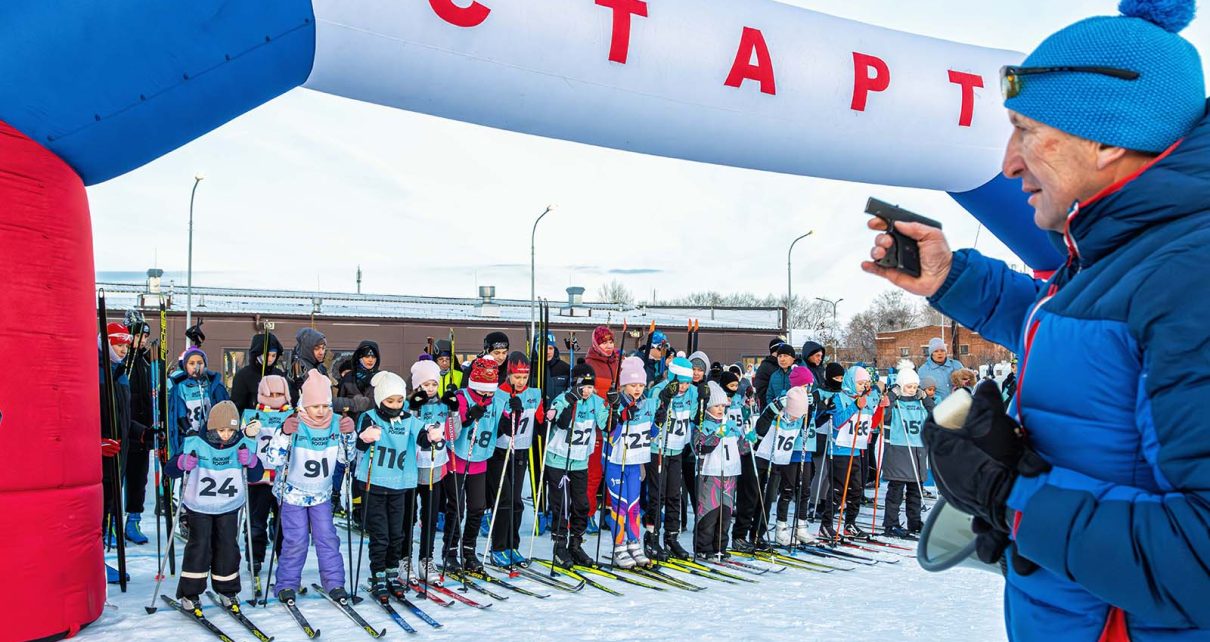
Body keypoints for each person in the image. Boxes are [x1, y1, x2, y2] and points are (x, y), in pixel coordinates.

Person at [862, 2, 1208, 637]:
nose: (1008, 161)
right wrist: (950, 279)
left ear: (1106, 140)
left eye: (1025, 129)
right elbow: (1083, 326)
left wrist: (1012, 499)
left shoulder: (1192, 276)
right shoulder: (1122, 253)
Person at [264, 370, 356, 604]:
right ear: (304, 404)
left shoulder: (335, 422)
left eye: (325, 406)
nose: (321, 412)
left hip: (321, 494)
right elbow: (273, 458)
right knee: (296, 540)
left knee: (327, 538)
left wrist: (350, 434)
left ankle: (335, 583)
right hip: (293, 493)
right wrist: (284, 433)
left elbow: (346, 459)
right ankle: (286, 584)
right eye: (316, 407)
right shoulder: (295, 422)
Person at [164, 400, 262, 611]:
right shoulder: (195, 443)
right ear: (211, 427)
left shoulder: (242, 443)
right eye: (221, 429)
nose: (226, 435)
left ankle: (228, 591)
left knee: (228, 548)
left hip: (228, 505)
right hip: (199, 506)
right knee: (199, 547)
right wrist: (182, 463)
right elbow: (170, 469)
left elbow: (255, 475)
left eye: (230, 430)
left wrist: (252, 461)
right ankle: (190, 593)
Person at [355, 370, 427, 599]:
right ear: (380, 400)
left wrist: (433, 435)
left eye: (399, 400)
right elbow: (358, 444)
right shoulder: (369, 417)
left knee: (397, 534)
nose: (396, 405)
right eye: (390, 401)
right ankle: (377, 574)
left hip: (399, 485)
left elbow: (423, 437)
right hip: (374, 484)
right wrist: (365, 437)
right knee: (381, 535)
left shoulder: (408, 418)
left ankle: (391, 573)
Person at [603, 356, 663, 569]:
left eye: (640, 385)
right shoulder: (616, 402)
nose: (637, 389)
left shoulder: (646, 404)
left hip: (635, 463)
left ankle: (633, 543)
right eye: (632, 385)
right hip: (615, 463)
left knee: (634, 506)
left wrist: (658, 422)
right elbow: (609, 435)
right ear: (623, 385)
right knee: (620, 506)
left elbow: (650, 435)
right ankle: (619, 547)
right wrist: (620, 417)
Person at [545, 364, 606, 568]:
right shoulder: (563, 399)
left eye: (590, 387)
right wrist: (570, 404)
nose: (587, 391)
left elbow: (606, 425)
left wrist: (613, 408)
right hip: (558, 460)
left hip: (580, 461)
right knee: (561, 506)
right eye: (583, 387)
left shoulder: (596, 402)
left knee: (582, 505)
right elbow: (559, 424)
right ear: (575, 385)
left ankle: (576, 544)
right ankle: (559, 547)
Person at [443, 357, 501, 574]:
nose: (486, 396)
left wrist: (513, 412)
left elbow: (502, 427)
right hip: (458, 459)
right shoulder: (462, 397)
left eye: (490, 391)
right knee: (457, 508)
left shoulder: (495, 399)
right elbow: (451, 432)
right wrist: (467, 417)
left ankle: (469, 551)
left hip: (480, 459)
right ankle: (449, 552)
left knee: (477, 507)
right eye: (483, 391)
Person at [487, 352, 545, 568]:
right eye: (517, 377)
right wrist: (509, 415)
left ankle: (512, 545)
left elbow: (539, 423)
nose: (521, 382)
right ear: (509, 374)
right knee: (504, 501)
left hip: (521, 451)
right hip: (499, 453)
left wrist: (548, 418)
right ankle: (498, 547)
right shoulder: (498, 394)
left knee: (517, 503)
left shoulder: (534, 394)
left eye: (524, 377)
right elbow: (495, 427)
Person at [643, 356, 696, 561]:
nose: (684, 387)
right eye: (680, 382)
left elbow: (692, 415)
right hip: (659, 449)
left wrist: (702, 400)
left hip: (676, 449)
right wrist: (663, 403)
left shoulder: (690, 391)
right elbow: (650, 425)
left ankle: (671, 537)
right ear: (672, 377)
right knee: (658, 496)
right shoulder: (659, 390)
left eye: (687, 383)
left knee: (675, 494)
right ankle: (651, 535)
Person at [240, 374, 292, 583]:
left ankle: (284, 557)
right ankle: (255, 557)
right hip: (258, 478)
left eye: (280, 394)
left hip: (283, 478)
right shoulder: (253, 414)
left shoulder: (291, 414)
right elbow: (242, 441)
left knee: (283, 522)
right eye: (271, 394)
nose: (276, 398)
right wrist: (247, 433)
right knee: (256, 521)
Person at [816, 366, 877, 541]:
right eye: (860, 383)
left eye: (866, 383)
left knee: (856, 489)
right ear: (850, 381)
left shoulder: (865, 399)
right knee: (837, 490)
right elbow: (837, 422)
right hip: (840, 449)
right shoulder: (839, 398)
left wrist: (880, 408)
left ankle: (850, 523)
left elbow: (871, 422)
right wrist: (854, 406)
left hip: (856, 449)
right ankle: (826, 525)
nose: (863, 386)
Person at [751, 386, 813, 547]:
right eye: (794, 415)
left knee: (769, 498)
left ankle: (760, 534)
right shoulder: (777, 412)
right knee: (756, 498)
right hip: (762, 458)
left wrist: (811, 407)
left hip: (779, 460)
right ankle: (747, 534)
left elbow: (806, 424)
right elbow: (759, 428)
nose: (795, 419)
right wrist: (771, 411)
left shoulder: (799, 415)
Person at [408, 359, 451, 584]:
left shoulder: (442, 406)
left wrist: (453, 411)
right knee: (409, 516)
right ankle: (404, 560)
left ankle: (426, 559)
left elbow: (454, 433)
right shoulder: (409, 405)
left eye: (434, 384)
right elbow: (405, 432)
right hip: (411, 469)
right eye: (425, 384)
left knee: (431, 516)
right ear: (417, 385)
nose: (430, 389)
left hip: (435, 467)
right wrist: (413, 409)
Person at [693, 381, 741, 560]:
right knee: (709, 512)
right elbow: (700, 447)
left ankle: (720, 546)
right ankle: (703, 547)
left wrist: (749, 439)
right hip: (710, 474)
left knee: (726, 513)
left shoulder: (729, 424)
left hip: (730, 473)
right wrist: (716, 435)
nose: (720, 409)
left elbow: (742, 448)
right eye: (716, 406)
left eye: (723, 405)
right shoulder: (702, 424)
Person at [880, 362, 928, 539]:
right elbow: (884, 414)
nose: (912, 389)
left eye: (915, 386)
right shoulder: (896, 401)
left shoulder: (920, 401)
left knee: (916, 489)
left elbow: (934, 414)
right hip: (899, 449)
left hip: (917, 450)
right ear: (901, 385)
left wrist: (925, 397)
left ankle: (914, 521)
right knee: (896, 490)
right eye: (909, 386)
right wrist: (893, 395)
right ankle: (890, 523)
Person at [121, 319, 155, 546]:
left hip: (143, 431)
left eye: (145, 337)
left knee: (138, 479)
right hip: (124, 428)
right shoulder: (122, 363)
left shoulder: (144, 363)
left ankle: (133, 519)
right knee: (118, 478)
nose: (142, 340)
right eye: (139, 336)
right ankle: (111, 521)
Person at [582, 325, 618, 535]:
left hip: (615, 424)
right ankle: (587, 514)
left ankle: (610, 512)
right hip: (596, 426)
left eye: (610, 341)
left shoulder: (617, 363)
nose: (608, 345)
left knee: (613, 472)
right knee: (594, 474)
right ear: (596, 343)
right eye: (604, 342)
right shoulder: (590, 364)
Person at [167, 347, 229, 458]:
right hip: (189, 436)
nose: (196, 367)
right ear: (185, 366)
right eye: (191, 363)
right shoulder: (181, 387)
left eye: (200, 363)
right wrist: (188, 430)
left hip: (211, 436)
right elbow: (180, 413)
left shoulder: (212, 385)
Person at [230, 331, 285, 414]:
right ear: (257, 354)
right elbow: (237, 407)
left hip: (276, 422)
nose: (270, 359)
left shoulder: (279, 375)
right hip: (250, 422)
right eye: (266, 355)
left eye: (273, 355)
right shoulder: (243, 376)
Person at [916, 337, 965, 402]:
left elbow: (969, 384)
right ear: (931, 353)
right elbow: (921, 392)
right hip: (937, 407)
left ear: (945, 352)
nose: (940, 353)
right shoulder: (923, 370)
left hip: (959, 404)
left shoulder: (956, 365)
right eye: (936, 351)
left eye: (942, 350)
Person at [752, 338, 785, 404]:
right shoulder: (765, 367)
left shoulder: (784, 366)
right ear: (774, 352)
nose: (782, 357)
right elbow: (761, 390)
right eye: (780, 353)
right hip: (771, 408)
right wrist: (773, 403)